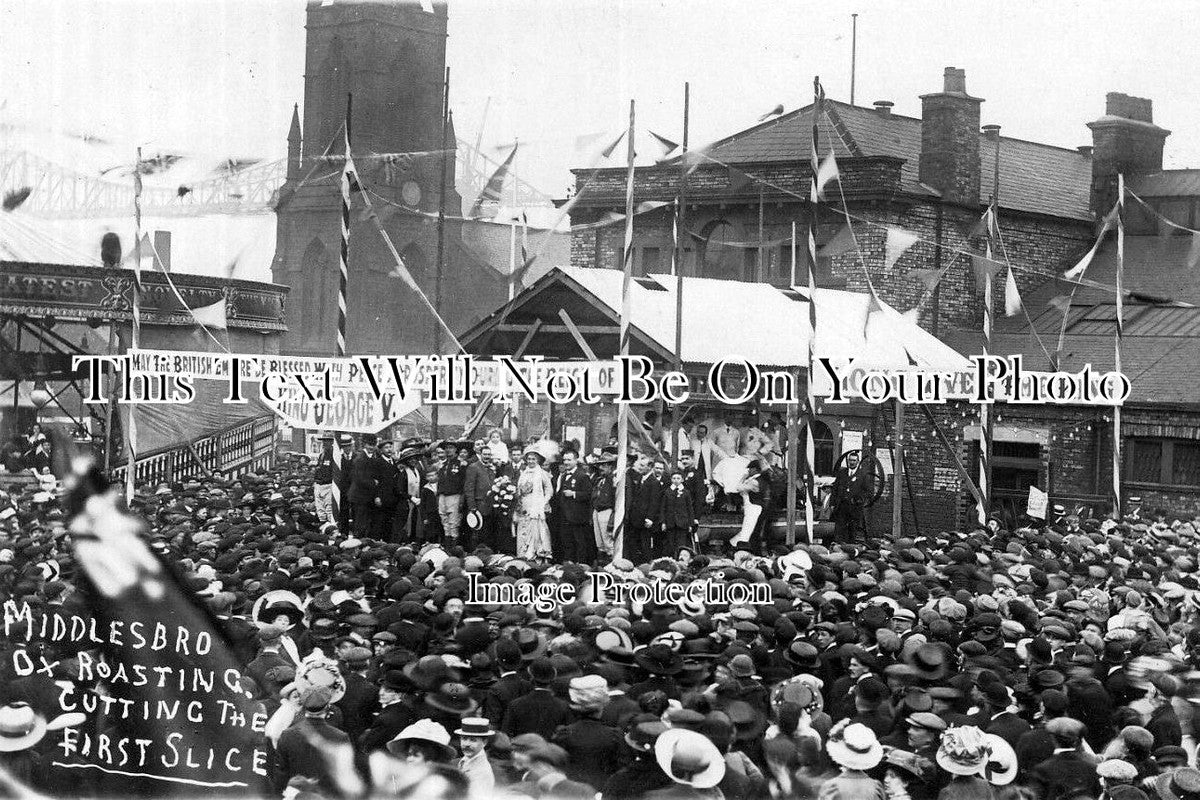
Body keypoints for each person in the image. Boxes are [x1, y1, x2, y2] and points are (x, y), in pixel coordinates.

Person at [551, 449, 594, 564]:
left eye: (569, 460)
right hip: (565, 517)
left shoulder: (582, 476)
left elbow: (589, 494)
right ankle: (569, 565)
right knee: (567, 542)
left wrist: (574, 494)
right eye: (564, 460)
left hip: (577, 517)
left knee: (579, 543)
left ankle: (581, 566)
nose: (566, 462)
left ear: (576, 460)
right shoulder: (564, 476)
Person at [514, 447, 553, 561]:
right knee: (523, 529)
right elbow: (519, 490)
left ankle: (534, 556)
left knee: (535, 531)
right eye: (529, 459)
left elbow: (549, 490)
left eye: (533, 459)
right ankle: (523, 554)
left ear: (538, 460)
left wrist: (543, 502)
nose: (531, 461)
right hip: (524, 504)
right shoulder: (523, 473)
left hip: (536, 505)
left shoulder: (542, 473)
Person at [831, 450, 872, 543]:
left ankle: (850, 549)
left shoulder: (863, 475)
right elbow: (835, 489)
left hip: (854, 508)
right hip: (841, 507)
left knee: (852, 531)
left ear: (857, 462)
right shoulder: (842, 473)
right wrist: (832, 503)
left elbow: (868, 492)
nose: (852, 462)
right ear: (848, 461)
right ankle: (838, 547)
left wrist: (859, 500)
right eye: (850, 460)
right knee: (839, 530)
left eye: (854, 460)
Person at [463, 445, 495, 551]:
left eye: (489, 454)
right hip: (478, 504)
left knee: (488, 532)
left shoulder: (492, 467)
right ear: (480, 455)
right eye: (485, 454)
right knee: (477, 532)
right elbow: (469, 488)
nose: (487, 456)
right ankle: (475, 553)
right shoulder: (473, 467)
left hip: (490, 505)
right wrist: (472, 507)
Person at [437, 440, 467, 544]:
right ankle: (447, 544)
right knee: (444, 520)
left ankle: (454, 546)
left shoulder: (460, 464)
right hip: (442, 495)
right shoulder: (443, 464)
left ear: (455, 449)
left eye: (451, 448)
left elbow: (464, 482)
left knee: (453, 522)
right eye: (446, 448)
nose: (448, 450)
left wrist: (462, 498)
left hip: (454, 495)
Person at [312, 436, 334, 525]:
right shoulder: (322, 455)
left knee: (329, 508)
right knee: (320, 508)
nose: (324, 443)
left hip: (328, 484)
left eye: (327, 441)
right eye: (324, 441)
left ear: (332, 442)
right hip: (319, 484)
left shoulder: (334, 454)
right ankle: (323, 525)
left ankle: (330, 527)